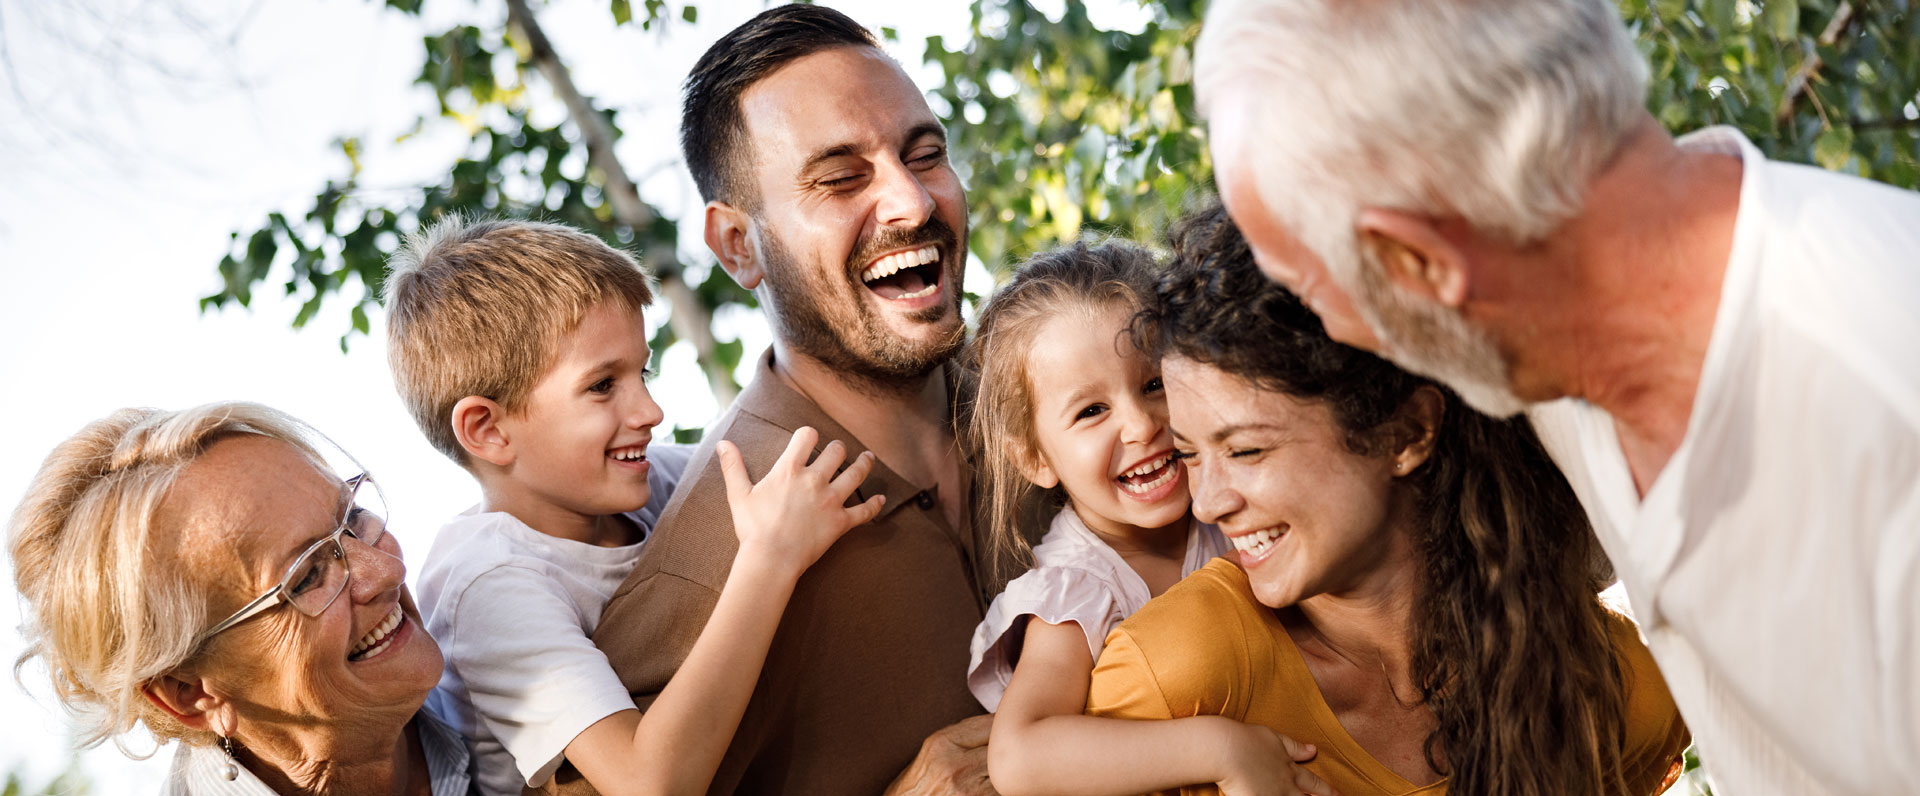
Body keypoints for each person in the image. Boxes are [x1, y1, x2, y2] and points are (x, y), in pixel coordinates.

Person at [1193, 1, 1920, 791]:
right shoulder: (1552, 344)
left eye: (1308, 290)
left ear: (1423, 266)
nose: (1331, 330)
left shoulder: (1880, 402)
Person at [1082, 207, 1689, 796]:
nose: (1207, 503)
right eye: (1188, 454)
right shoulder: (1179, 679)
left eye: (1245, 452)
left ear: (1405, 433)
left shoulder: (1617, 687)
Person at [554, 6, 991, 794]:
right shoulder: (711, 564)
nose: (913, 203)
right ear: (737, 245)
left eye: (924, 155)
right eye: (840, 179)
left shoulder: (1054, 408)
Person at [380, 217, 887, 796]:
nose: (650, 411)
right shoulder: (487, 583)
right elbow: (648, 785)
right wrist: (768, 560)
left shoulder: (643, 483)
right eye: (602, 386)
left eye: (641, 372)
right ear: (488, 429)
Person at [961, 240, 1311, 796]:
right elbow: (1020, 758)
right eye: (1092, 411)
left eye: (1153, 385)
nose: (1141, 425)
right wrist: (1223, 751)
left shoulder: (1229, 505)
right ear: (1033, 457)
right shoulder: (1074, 592)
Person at [8, 402, 476, 795]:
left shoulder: (508, 632)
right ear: (187, 693)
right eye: (308, 576)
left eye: (353, 518)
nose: (388, 570)